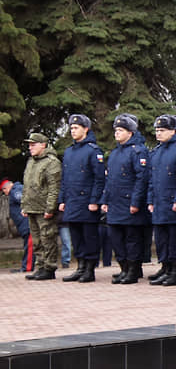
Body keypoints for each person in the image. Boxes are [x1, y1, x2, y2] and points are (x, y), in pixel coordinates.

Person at [102, 114, 150, 284]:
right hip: (115, 204)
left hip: (129, 204)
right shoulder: (115, 153)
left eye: (121, 130)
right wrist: (105, 201)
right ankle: (124, 268)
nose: (117, 133)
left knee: (132, 240)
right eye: (116, 130)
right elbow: (110, 180)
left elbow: (141, 179)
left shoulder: (138, 151)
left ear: (130, 132)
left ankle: (133, 270)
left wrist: (136, 202)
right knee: (116, 239)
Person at [59, 114, 106, 283]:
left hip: (87, 203)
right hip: (72, 202)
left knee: (89, 237)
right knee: (76, 237)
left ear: (86, 129)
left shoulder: (93, 151)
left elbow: (99, 178)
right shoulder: (69, 151)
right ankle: (80, 266)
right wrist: (62, 199)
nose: (72, 131)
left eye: (76, 128)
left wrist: (94, 200)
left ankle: (89, 268)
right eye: (71, 128)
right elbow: (65, 178)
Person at [146, 115, 176, 286]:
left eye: (162, 131)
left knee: (175, 240)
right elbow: (152, 179)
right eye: (157, 131)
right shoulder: (156, 151)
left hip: (173, 204)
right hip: (159, 203)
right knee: (161, 239)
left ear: (174, 131)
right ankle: (165, 267)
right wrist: (150, 200)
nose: (158, 134)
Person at [21, 133, 62, 280]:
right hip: (31, 206)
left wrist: (50, 208)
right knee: (36, 239)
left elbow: (54, 187)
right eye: (29, 145)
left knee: (47, 238)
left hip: (44, 208)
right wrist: (24, 205)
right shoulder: (31, 162)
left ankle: (49, 267)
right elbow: (27, 185)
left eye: (33, 144)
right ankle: (40, 266)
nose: (30, 147)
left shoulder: (52, 162)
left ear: (43, 145)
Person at [1, 178, 34, 272]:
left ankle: (27, 268)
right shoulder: (17, 190)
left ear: (6, 188)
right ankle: (27, 266)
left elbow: (24, 200)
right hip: (24, 224)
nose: (5, 192)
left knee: (29, 247)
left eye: (4, 190)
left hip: (27, 224)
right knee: (28, 246)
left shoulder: (15, 191)